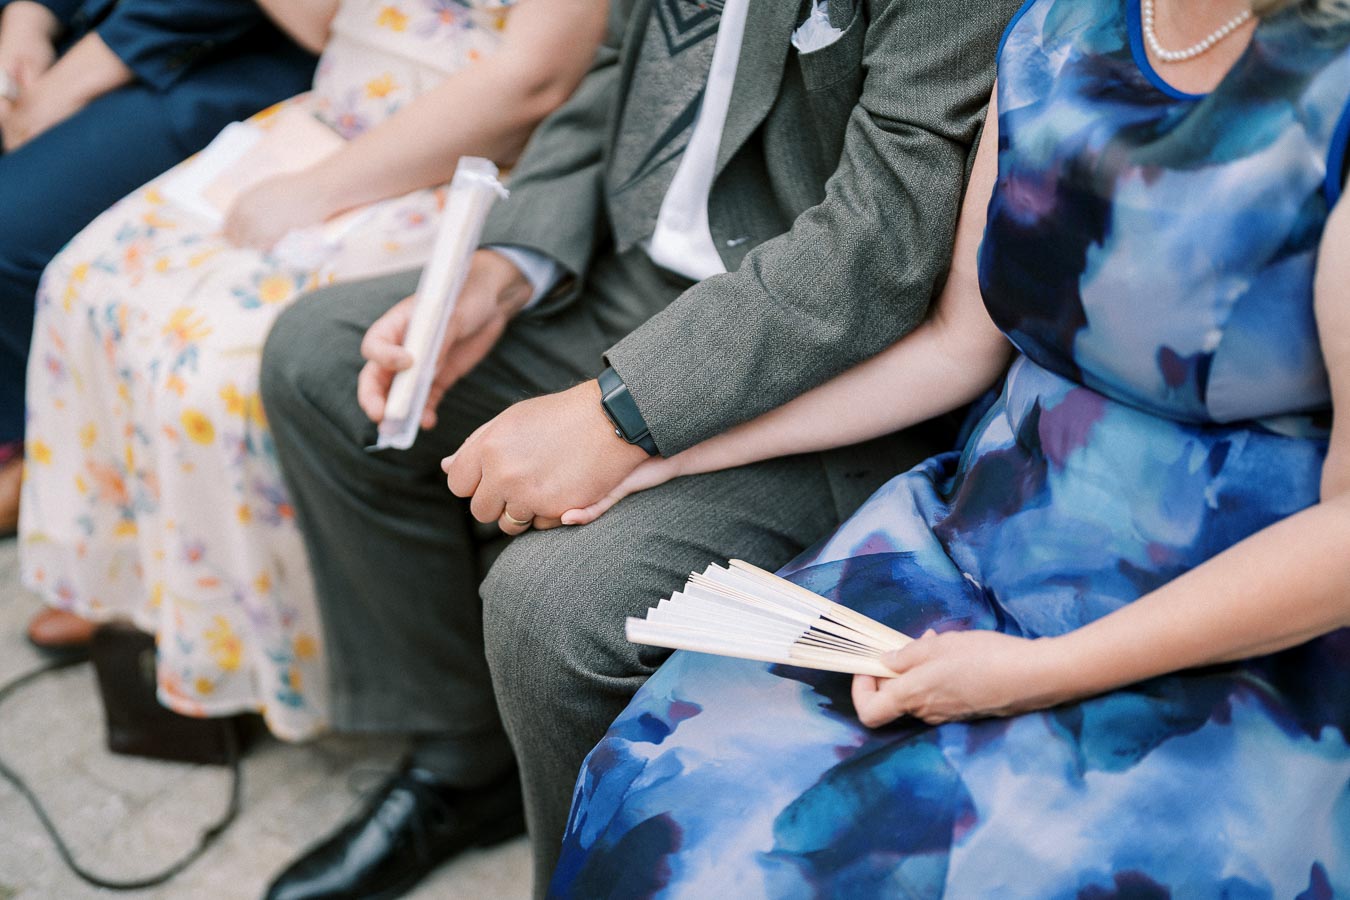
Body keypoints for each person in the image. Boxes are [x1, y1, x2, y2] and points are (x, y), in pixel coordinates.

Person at [545, 0, 1350, 893]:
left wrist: (1038, 675)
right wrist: (664, 452)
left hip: (1233, 630)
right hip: (978, 548)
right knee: (670, 795)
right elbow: (953, 347)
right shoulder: (1056, 30)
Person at [258, 0, 1021, 895]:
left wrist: (619, 412)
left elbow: (878, 242)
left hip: (827, 363)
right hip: (632, 273)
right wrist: (504, 274)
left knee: (556, 605)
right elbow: (616, 69)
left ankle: (583, 874)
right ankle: (465, 763)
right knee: (318, 362)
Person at [18, 0, 607, 740]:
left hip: (469, 160)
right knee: (84, 282)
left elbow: (536, 84)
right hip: (331, 111)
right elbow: (324, 23)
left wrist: (323, 188)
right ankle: (148, 585)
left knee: (211, 368)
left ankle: (284, 648)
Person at [0, 0, 316, 544]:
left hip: (227, 50)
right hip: (96, 25)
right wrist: (30, 15)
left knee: (10, 229)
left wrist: (95, 62)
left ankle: (52, 466)